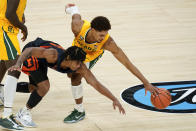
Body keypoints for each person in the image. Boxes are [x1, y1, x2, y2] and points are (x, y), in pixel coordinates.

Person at [64, 4, 159, 123]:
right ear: (92, 30)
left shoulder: (107, 43)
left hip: (90, 56)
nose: (103, 37)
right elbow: (76, 17)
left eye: (105, 34)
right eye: (101, 34)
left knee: (76, 77)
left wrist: (146, 83)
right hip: (75, 50)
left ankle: (79, 111)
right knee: (69, 73)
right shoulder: (77, 27)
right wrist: (72, 9)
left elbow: (127, 63)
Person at [7, 37, 125, 128]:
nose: (79, 66)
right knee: (44, 86)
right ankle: (23, 113)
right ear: (68, 58)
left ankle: (3, 90)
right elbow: (29, 50)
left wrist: (114, 99)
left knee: (34, 88)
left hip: (42, 60)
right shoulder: (53, 55)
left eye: (80, 63)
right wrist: (18, 64)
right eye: (77, 63)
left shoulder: (79, 66)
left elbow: (96, 84)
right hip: (31, 54)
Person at [0, 0, 28, 130]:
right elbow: (9, 14)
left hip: (5, 28)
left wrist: (20, 14)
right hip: (4, 29)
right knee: (15, 67)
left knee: (4, 63)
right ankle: (6, 115)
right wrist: (23, 27)